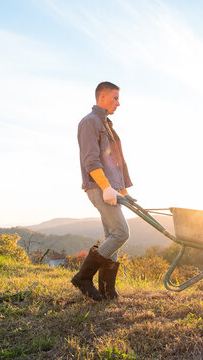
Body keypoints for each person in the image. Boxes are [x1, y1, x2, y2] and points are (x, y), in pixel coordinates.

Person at [72, 81, 132, 301]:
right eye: (115, 98)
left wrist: (123, 191)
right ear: (103, 97)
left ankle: (108, 291)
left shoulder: (108, 126)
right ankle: (83, 277)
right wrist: (106, 187)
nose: (118, 103)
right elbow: (91, 159)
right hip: (99, 188)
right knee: (121, 233)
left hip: (112, 190)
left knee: (111, 237)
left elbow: (117, 162)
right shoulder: (89, 123)